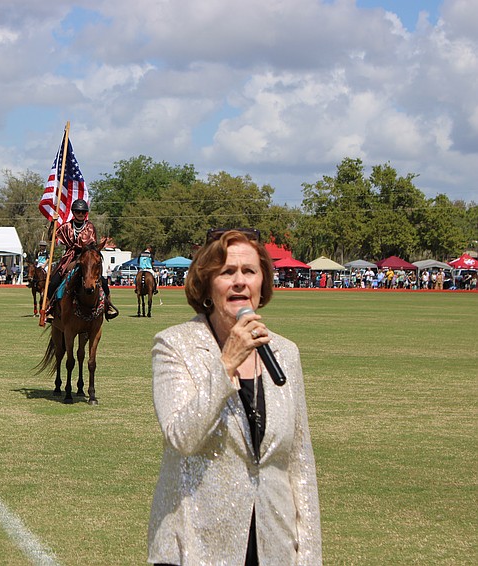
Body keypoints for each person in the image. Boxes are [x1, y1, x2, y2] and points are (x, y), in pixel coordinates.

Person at [147, 228, 321, 566]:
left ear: (262, 284)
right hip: (195, 547)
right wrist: (226, 363)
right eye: (228, 272)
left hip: (273, 545)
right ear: (208, 285)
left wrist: (309, 556)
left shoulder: (285, 353)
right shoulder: (174, 346)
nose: (240, 281)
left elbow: (299, 463)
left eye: (249, 272)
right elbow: (181, 437)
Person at [45, 199, 118, 321]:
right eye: (78, 211)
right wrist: (53, 222)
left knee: (103, 281)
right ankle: (50, 307)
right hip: (70, 257)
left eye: (83, 212)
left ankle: (107, 306)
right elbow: (51, 238)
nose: (81, 214)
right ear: (73, 212)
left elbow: (93, 245)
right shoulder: (66, 226)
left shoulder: (90, 227)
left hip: (87, 256)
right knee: (54, 281)